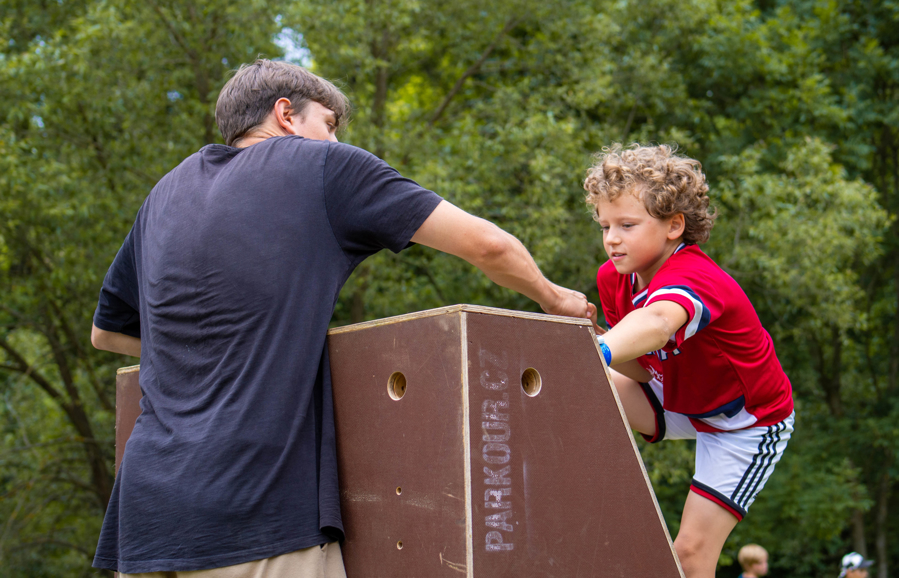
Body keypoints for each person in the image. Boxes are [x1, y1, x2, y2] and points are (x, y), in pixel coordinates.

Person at [89, 59, 589, 577]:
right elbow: (488, 246)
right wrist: (555, 299)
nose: (333, 140)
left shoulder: (165, 194)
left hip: (147, 518)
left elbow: (107, 332)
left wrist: (226, 348)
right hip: (257, 515)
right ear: (285, 114)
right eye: (328, 124)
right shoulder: (324, 168)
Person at [583, 144, 794, 578]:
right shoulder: (613, 278)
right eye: (605, 225)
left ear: (674, 226)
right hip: (677, 396)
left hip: (745, 423)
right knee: (577, 379)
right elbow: (640, 367)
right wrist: (586, 343)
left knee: (690, 556)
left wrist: (599, 350)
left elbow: (659, 322)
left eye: (627, 224)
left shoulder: (694, 276)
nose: (612, 238)